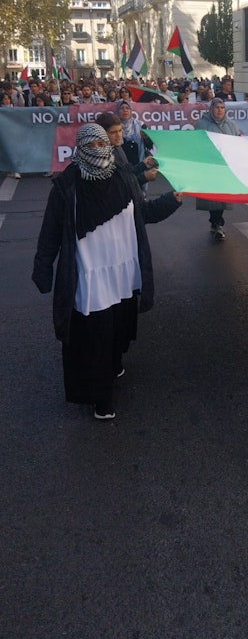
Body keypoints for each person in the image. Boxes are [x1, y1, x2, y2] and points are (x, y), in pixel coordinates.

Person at [32, 123, 183, 420]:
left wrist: (172, 200)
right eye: (92, 146)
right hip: (90, 276)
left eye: (103, 145)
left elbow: (144, 213)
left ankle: (113, 366)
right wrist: (43, 269)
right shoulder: (68, 185)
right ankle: (101, 397)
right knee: (95, 338)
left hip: (123, 271)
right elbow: (50, 232)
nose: (99, 151)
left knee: (117, 329)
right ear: (80, 148)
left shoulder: (122, 174)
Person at [194, 98, 242, 240]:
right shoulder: (202, 124)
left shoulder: (231, 125)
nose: (220, 110)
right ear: (211, 109)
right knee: (212, 197)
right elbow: (197, 144)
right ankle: (217, 223)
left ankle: (217, 222)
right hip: (210, 166)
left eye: (222, 107)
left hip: (225, 166)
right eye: (217, 107)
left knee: (222, 196)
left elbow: (237, 142)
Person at [95, 112, 158, 189]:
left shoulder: (116, 147)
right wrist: (144, 177)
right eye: (113, 132)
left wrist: (144, 165)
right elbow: (118, 187)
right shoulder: (99, 157)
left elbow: (125, 173)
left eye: (120, 130)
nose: (118, 135)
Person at [116, 99, 153, 167]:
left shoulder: (140, 125)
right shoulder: (114, 126)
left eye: (127, 108)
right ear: (117, 111)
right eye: (122, 108)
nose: (125, 110)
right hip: (121, 166)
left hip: (139, 164)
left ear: (131, 111)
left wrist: (146, 138)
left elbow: (150, 146)